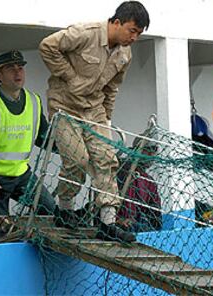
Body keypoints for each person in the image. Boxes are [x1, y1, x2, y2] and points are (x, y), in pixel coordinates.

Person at [39, 1, 150, 243]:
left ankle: (107, 222)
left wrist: (107, 118)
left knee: (107, 160)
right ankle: (65, 209)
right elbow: (47, 46)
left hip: (95, 111)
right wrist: (69, 76)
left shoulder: (124, 54)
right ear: (117, 22)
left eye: (139, 34)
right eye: (132, 30)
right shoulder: (85, 33)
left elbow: (112, 88)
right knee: (77, 159)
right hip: (65, 106)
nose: (134, 38)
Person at [0, 50, 57, 241]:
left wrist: (67, 146)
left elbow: (42, 137)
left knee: (49, 209)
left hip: (22, 175)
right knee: (3, 233)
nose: (18, 73)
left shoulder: (34, 100)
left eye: (21, 68)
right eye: (10, 69)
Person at [116, 138, 162, 232]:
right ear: (136, 151)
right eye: (147, 151)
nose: (151, 155)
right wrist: (118, 220)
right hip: (117, 223)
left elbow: (155, 213)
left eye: (153, 152)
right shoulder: (120, 171)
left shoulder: (149, 182)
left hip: (137, 224)